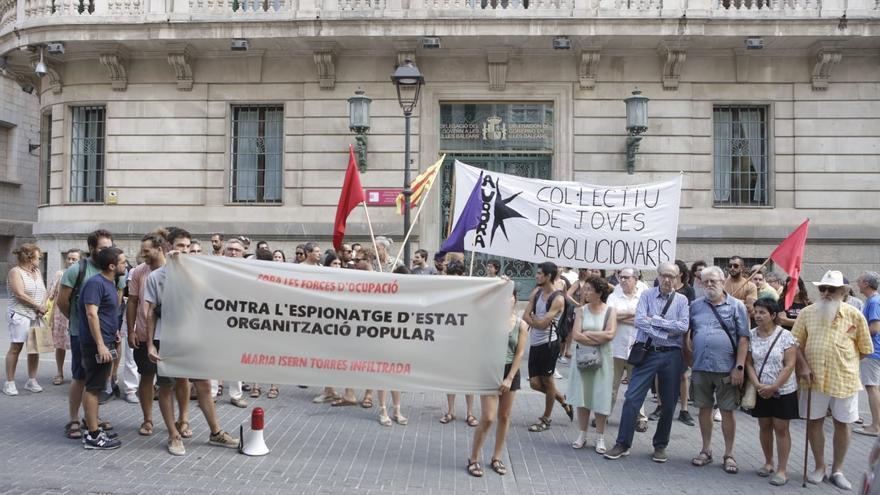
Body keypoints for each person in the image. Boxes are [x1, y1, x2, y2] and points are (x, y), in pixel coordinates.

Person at [145, 229, 239, 455]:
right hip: (166, 338)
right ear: (168, 247)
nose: (184, 250)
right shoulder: (156, 277)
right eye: (180, 246)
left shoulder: (198, 274)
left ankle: (215, 432)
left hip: (195, 337)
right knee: (166, 387)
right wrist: (150, 344)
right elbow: (150, 313)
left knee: (204, 384)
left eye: (188, 246)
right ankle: (173, 435)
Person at [793, 270, 874, 490]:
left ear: (843, 292)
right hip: (814, 378)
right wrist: (803, 366)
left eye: (831, 289)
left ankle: (837, 469)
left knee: (843, 424)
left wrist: (845, 360)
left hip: (844, 379)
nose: (826, 293)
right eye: (823, 289)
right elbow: (795, 344)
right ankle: (819, 466)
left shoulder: (855, 315)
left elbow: (865, 349)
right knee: (814, 422)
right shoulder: (807, 313)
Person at [604, 262, 689, 463]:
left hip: (672, 354)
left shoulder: (682, 300)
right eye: (664, 275)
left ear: (678, 278)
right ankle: (623, 443)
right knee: (632, 397)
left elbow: (683, 326)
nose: (668, 279)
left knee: (668, 403)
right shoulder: (647, 295)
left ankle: (660, 445)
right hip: (647, 352)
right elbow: (640, 321)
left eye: (672, 276)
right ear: (657, 276)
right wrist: (667, 330)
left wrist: (656, 321)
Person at [56, 229, 124, 440]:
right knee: (80, 376)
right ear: (92, 249)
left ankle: (91, 419)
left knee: (96, 380)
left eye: (109, 247)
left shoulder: (117, 273)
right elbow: (62, 301)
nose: (107, 251)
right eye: (103, 247)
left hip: (106, 334)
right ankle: (74, 419)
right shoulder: (77, 270)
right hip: (82, 335)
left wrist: (113, 330)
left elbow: (117, 302)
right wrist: (79, 323)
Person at [688, 265, 750, 474]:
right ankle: (706, 450)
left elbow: (743, 339)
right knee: (704, 409)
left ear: (723, 282)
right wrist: (689, 359)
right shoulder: (695, 306)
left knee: (727, 411)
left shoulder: (737, 306)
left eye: (713, 281)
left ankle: (729, 454)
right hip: (701, 367)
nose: (709, 285)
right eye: (705, 281)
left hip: (726, 368)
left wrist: (739, 367)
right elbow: (687, 334)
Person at [467, 285, 528, 477]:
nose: (506, 299)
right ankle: (474, 458)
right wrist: (496, 285)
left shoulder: (521, 324)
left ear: (515, 299)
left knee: (505, 416)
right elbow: (476, 304)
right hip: (489, 370)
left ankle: (497, 457)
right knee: (488, 418)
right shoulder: (488, 319)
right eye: (502, 296)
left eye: (509, 296)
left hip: (510, 372)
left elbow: (520, 353)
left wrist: (510, 378)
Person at [746, 298, 798, 486]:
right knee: (764, 426)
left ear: (773, 315)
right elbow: (749, 363)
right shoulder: (751, 335)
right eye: (756, 312)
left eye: (763, 312)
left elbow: (790, 364)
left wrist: (774, 386)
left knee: (781, 429)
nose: (758, 316)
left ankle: (782, 469)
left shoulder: (785, 336)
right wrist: (757, 384)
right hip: (761, 389)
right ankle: (768, 462)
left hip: (783, 390)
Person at [78, 246, 126, 450]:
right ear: (112, 265)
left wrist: (113, 331)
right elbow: (91, 314)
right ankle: (93, 436)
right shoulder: (95, 283)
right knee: (94, 387)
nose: (126, 264)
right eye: (123, 262)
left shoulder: (109, 282)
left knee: (97, 386)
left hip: (106, 340)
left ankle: (93, 426)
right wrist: (100, 344)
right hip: (96, 345)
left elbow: (107, 313)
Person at [127, 230, 171, 436]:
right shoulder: (138, 272)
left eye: (146, 251)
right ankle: (148, 420)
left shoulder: (174, 269)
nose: (142, 254)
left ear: (159, 249)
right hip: (144, 334)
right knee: (146, 376)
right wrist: (131, 330)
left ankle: (181, 420)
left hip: (170, 336)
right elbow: (133, 302)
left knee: (173, 382)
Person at [522, 262, 574, 432]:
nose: (536, 276)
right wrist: (537, 320)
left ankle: (546, 418)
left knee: (548, 381)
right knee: (535, 384)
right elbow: (525, 315)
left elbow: (543, 325)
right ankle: (562, 399)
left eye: (539, 274)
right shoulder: (536, 292)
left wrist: (535, 319)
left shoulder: (558, 298)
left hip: (550, 344)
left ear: (548, 276)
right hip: (535, 343)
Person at [569, 276, 616, 454]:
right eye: (585, 288)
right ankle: (582, 433)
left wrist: (588, 334)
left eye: (589, 289)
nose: (585, 292)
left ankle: (600, 436)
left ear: (599, 293)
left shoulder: (610, 311)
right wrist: (598, 336)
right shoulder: (581, 310)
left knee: (601, 395)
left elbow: (611, 334)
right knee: (583, 395)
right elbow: (576, 335)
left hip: (603, 359)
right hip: (583, 358)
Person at [607, 267, 649, 433]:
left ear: (636, 279)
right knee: (611, 385)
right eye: (620, 277)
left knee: (637, 386)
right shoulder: (613, 295)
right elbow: (610, 316)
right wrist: (634, 314)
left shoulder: (644, 295)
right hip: (615, 347)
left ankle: (640, 418)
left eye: (626, 277)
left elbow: (646, 318)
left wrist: (622, 316)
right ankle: (604, 414)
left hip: (637, 348)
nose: (622, 280)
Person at [4, 243, 48, 396]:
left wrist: (43, 305)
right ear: (30, 258)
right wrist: (38, 306)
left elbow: (43, 290)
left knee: (35, 348)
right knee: (16, 347)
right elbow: (19, 294)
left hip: (36, 315)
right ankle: (9, 382)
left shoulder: (37, 272)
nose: (40, 260)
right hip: (19, 313)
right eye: (38, 258)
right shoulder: (15, 272)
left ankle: (31, 380)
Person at [440, 262, 477, 426]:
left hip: (467, 340)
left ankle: (470, 413)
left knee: (468, 378)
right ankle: (451, 411)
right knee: (450, 377)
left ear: (462, 275)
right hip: (450, 339)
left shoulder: (472, 291)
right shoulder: (446, 291)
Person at [47, 249, 81, 386]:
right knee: (60, 346)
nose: (71, 261)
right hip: (61, 314)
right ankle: (59, 372)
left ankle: (76, 374)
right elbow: (51, 293)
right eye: (69, 258)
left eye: (74, 259)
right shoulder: (60, 274)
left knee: (76, 345)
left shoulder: (82, 273)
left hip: (76, 313)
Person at [856, 271, 880, 437]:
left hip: (872, 351)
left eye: (860, 279)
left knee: (872, 388)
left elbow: (874, 328)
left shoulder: (874, 301)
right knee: (874, 387)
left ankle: (876, 426)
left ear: (866, 284)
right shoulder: (873, 301)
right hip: (874, 351)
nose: (858, 282)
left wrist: (856, 336)